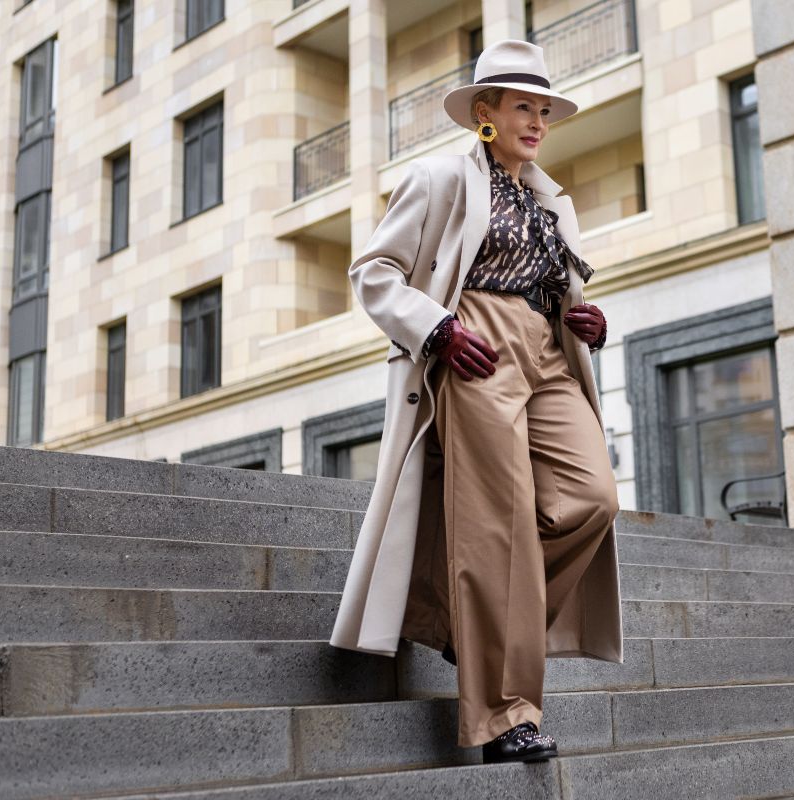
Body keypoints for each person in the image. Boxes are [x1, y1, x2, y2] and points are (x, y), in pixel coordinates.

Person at [328, 39, 624, 766]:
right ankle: (502, 716)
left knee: (592, 499)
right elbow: (374, 273)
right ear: (484, 113)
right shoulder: (438, 178)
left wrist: (586, 318)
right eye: (523, 106)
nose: (537, 120)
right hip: (475, 342)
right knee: (498, 530)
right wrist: (436, 329)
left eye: (544, 109)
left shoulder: (552, 199)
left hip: (549, 353)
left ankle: (477, 627)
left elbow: (560, 285)